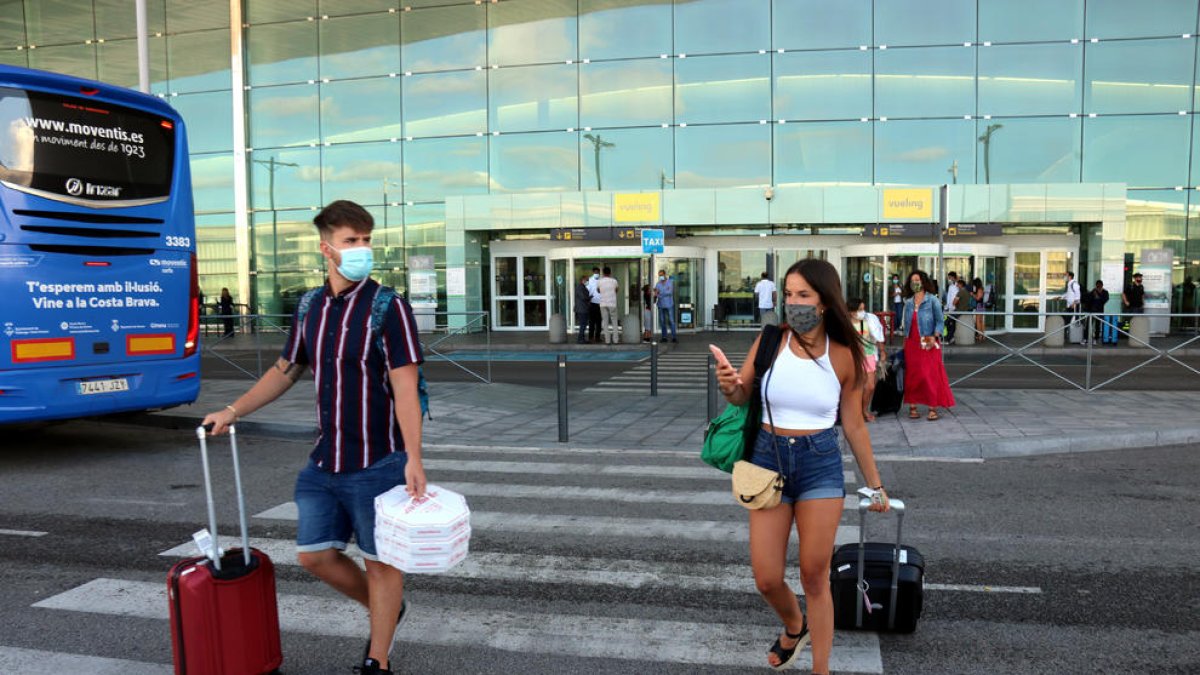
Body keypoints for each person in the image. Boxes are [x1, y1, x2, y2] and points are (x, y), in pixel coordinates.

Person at [201, 200, 426, 675]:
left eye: (366, 240)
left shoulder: (390, 307)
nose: (362, 249)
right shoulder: (310, 306)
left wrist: (414, 458)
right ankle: (388, 611)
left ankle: (377, 659)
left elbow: (406, 387)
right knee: (315, 555)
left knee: (381, 563)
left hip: (378, 459)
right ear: (326, 248)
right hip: (325, 460)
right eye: (351, 241)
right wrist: (232, 410)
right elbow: (285, 371)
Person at [715, 258, 888, 674]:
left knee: (814, 574)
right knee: (767, 578)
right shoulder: (771, 338)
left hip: (819, 463)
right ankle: (795, 624)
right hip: (767, 459)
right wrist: (730, 386)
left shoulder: (844, 352)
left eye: (803, 295)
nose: (794, 303)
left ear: (825, 301)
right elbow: (743, 396)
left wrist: (876, 485)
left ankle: (821, 670)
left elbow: (853, 424)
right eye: (788, 294)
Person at [902, 270, 955, 421]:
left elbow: (940, 321)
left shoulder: (932, 300)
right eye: (912, 281)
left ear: (923, 282)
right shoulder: (908, 302)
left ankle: (933, 407)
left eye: (917, 280)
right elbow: (906, 325)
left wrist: (934, 336)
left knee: (928, 374)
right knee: (913, 374)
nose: (915, 283)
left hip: (928, 340)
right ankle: (913, 407)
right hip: (911, 342)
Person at [849, 298, 886, 422]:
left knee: (870, 386)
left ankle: (864, 409)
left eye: (863, 309)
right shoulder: (846, 323)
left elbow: (878, 336)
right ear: (851, 311)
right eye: (859, 309)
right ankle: (858, 412)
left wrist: (882, 352)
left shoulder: (868, 320)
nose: (862, 312)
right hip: (853, 358)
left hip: (869, 355)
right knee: (857, 386)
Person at [597, 266, 620, 344]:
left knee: (605, 322)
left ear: (603, 273)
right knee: (614, 322)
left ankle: (607, 340)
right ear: (610, 273)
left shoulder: (600, 281)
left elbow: (598, 290)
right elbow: (616, 290)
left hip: (603, 303)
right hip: (612, 303)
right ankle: (615, 340)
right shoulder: (614, 281)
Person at [654, 269, 677, 343]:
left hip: (669, 305)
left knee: (671, 321)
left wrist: (660, 293)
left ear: (665, 275)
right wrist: (660, 293)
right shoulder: (658, 284)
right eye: (659, 275)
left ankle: (674, 337)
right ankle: (664, 337)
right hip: (661, 305)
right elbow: (656, 293)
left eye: (661, 275)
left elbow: (670, 292)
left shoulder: (670, 282)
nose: (660, 277)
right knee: (662, 321)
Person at [1087, 279, 1110, 345]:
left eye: (1100, 287)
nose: (1099, 288)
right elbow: (1089, 300)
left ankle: (1096, 339)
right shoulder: (1093, 291)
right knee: (1089, 325)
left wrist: (1098, 296)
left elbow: (1104, 300)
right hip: (1092, 311)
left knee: (1098, 325)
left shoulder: (1105, 292)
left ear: (1102, 286)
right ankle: (1087, 338)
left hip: (1099, 311)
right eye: (1097, 287)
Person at [586, 266, 602, 343]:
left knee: (599, 322)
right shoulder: (589, 280)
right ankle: (590, 337)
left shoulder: (601, 280)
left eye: (598, 272)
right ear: (593, 272)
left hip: (600, 303)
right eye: (595, 272)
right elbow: (587, 290)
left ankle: (597, 337)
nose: (597, 274)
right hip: (592, 303)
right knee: (592, 322)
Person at [574, 274, 591, 344]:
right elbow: (583, 297)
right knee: (583, 325)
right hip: (582, 309)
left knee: (583, 324)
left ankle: (582, 339)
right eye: (587, 280)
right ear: (583, 280)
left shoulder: (582, 287)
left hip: (582, 308)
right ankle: (580, 339)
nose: (588, 281)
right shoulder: (580, 287)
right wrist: (589, 297)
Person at [943, 272, 960, 341]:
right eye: (948, 278)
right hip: (950, 309)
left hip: (955, 308)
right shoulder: (950, 286)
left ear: (953, 277)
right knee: (950, 324)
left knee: (948, 323)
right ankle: (950, 338)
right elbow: (949, 298)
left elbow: (956, 297)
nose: (948, 279)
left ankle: (949, 338)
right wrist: (946, 307)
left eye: (949, 277)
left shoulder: (957, 286)